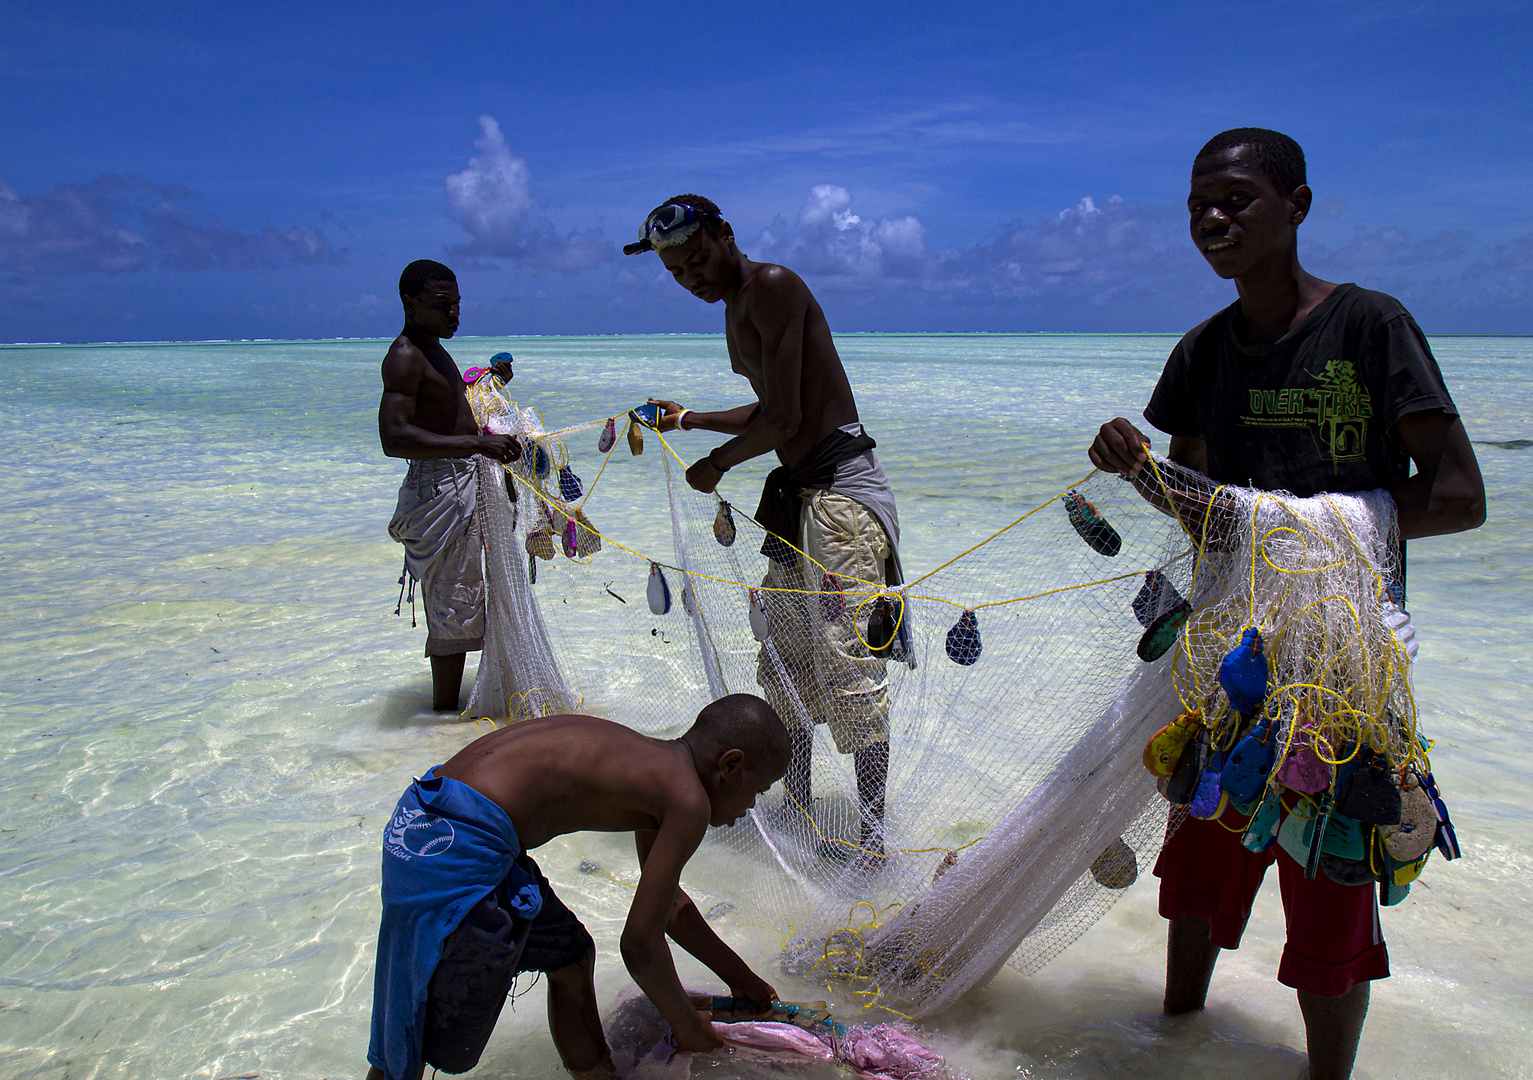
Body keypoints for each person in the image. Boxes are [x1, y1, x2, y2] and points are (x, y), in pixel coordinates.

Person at [1088, 128, 1485, 1080]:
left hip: (1346, 674)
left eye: (1235, 201)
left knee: (1331, 884)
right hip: (1233, 667)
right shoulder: (1201, 354)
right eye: (1197, 206)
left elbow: (1462, 496)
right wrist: (1141, 473)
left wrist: (1319, 525)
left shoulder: (1368, 327)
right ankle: (1166, 1049)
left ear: (1297, 206)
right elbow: (1209, 523)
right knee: (1194, 880)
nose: (1212, 220)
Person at [625, 195, 903, 861]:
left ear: (725, 235)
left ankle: (871, 839)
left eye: (697, 258)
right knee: (785, 665)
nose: (691, 276)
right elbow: (773, 405)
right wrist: (690, 419)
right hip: (797, 502)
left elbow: (783, 419)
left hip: (839, 501)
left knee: (849, 669)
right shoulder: (736, 306)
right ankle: (796, 807)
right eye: (675, 272)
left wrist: (715, 465)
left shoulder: (771, 286)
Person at [363, 693, 789, 1080]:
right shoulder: (688, 801)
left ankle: (595, 1073)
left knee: (570, 954)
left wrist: (739, 977)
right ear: (729, 765)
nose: (752, 806)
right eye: (758, 789)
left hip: (422, 818)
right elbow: (638, 943)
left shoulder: (657, 771)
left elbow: (670, 907)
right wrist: (685, 1025)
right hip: (460, 848)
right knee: (413, 1035)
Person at [379, 259, 518, 712]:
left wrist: (490, 382)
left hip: (457, 478)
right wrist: (477, 443)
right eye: (443, 306)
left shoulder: (432, 346)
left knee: (464, 598)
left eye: (457, 305)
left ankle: (443, 718)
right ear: (410, 303)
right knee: (453, 605)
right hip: (439, 488)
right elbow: (393, 437)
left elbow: (442, 404)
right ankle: (441, 718)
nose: (454, 314)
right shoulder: (404, 355)